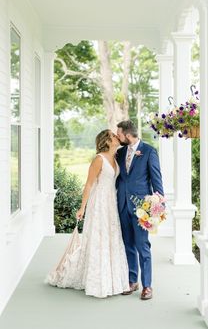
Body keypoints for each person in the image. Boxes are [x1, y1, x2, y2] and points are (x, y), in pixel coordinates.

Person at [45, 129, 130, 298]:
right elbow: (89, 185)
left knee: (111, 237)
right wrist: (82, 208)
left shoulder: (115, 156)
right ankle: (97, 281)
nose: (117, 137)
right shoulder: (99, 159)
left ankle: (114, 280)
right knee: (99, 239)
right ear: (107, 141)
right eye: (114, 136)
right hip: (98, 204)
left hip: (111, 203)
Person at [116, 120, 164, 300]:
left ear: (128, 135)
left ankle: (147, 286)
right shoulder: (120, 153)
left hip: (141, 207)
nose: (118, 137)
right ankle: (132, 280)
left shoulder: (149, 151)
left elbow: (156, 180)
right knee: (127, 244)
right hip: (122, 204)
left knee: (142, 246)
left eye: (119, 134)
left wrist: (158, 205)